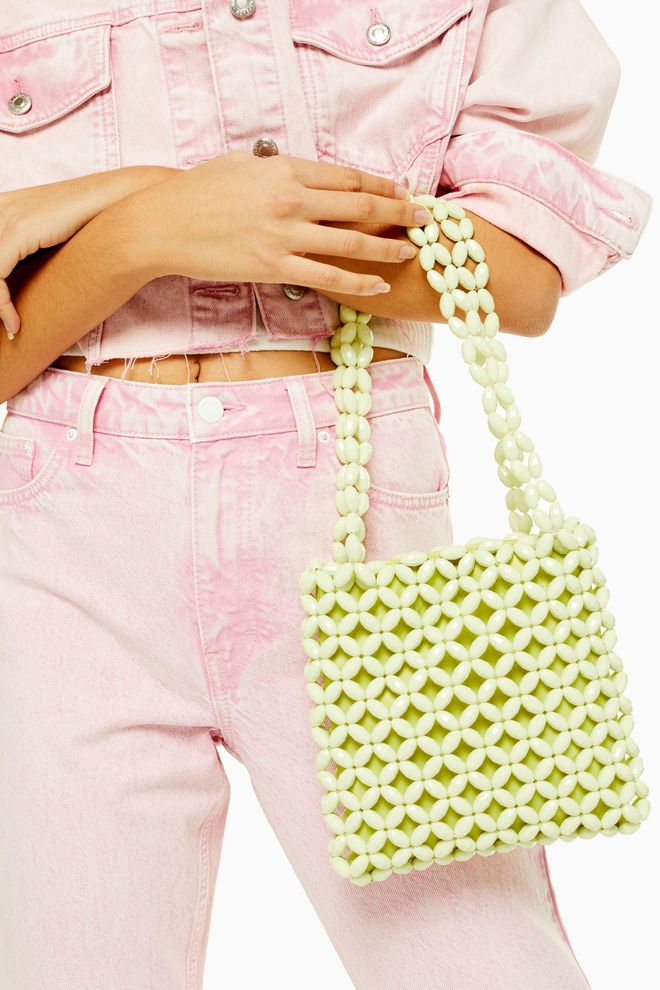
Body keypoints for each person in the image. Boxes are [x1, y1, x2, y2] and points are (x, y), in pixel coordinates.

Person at [0, 1, 651, 987]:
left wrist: (181, 213)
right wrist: (140, 226)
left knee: (479, 962)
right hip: (65, 538)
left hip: (353, 506)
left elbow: (520, 276)